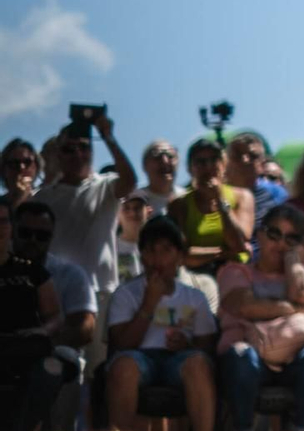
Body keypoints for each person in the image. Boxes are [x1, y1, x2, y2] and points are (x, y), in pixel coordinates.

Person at [215, 204, 304, 431]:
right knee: (241, 356)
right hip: (250, 362)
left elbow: (301, 292)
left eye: (291, 238)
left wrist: (294, 261)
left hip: (295, 362)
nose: (280, 244)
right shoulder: (235, 271)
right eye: (274, 234)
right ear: (259, 234)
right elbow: (247, 307)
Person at [105, 215, 219, 431]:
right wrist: (149, 304)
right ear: (141, 255)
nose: (157, 259)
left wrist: (187, 345)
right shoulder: (125, 294)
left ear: (179, 256)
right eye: (150, 250)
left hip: (179, 361)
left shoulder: (194, 297)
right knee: (124, 365)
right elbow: (121, 344)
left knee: (198, 363)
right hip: (139, 358)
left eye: (166, 250)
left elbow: (207, 347)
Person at [32, 109, 134, 340]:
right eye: (69, 149)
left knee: (97, 370)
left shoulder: (105, 186)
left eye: (84, 147)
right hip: (55, 294)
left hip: (101, 292)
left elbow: (130, 181)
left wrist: (108, 136)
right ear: (58, 155)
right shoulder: (42, 197)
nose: (77, 154)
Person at [9, 200, 94, 431]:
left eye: (41, 235)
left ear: (52, 237)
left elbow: (86, 328)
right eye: (25, 233)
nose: (32, 241)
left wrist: (43, 341)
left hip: (49, 349)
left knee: (66, 363)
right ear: (12, 231)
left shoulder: (70, 274)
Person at [0, 199, 63, 431]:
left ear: (12, 226)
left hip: (24, 346)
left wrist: (42, 330)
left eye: (4, 221)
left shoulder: (32, 271)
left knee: (54, 368)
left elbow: (55, 317)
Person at [167, 138, 253, 275]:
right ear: (190, 168)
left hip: (235, 274)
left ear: (224, 164)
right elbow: (182, 254)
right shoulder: (179, 205)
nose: (208, 167)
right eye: (200, 162)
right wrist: (223, 253)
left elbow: (238, 243)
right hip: (197, 277)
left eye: (214, 160)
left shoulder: (242, 197)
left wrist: (219, 200)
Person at [224, 131, 286, 229]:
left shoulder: (275, 193)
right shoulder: (216, 193)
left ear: (262, 164)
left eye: (253, 156)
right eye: (238, 155)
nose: (245, 161)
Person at [136, 141, 179, 215]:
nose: (165, 162)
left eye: (170, 156)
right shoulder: (135, 202)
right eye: (157, 157)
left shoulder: (188, 199)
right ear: (145, 166)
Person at [1, 140, 41, 215]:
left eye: (27, 162)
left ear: (36, 166)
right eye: (14, 163)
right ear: (4, 169)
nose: (21, 167)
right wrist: (20, 198)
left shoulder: (47, 199)